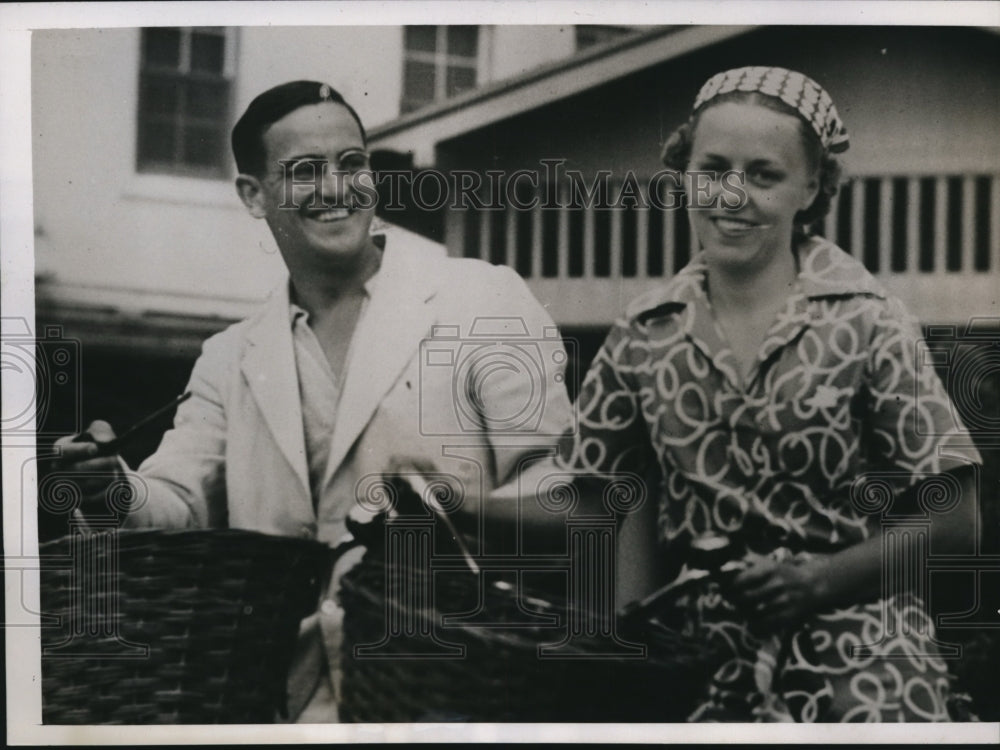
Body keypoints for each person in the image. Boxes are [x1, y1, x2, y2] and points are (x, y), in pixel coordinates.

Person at [53, 80, 572, 723]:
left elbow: (565, 504)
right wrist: (112, 489)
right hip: (282, 702)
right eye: (305, 171)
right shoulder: (229, 358)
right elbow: (181, 503)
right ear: (253, 195)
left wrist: (465, 506)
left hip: (449, 687)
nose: (337, 188)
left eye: (352, 163)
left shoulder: (482, 303)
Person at [555, 67, 982, 721]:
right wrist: (456, 499)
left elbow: (955, 522)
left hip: (864, 662)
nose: (732, 195)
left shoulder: (868, 319)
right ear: (685, 172)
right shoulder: (644, 331)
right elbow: (596, 505)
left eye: (763, 174)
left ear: (810, 186)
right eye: (714, 168)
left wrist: (817, 580)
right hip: (697, 662)